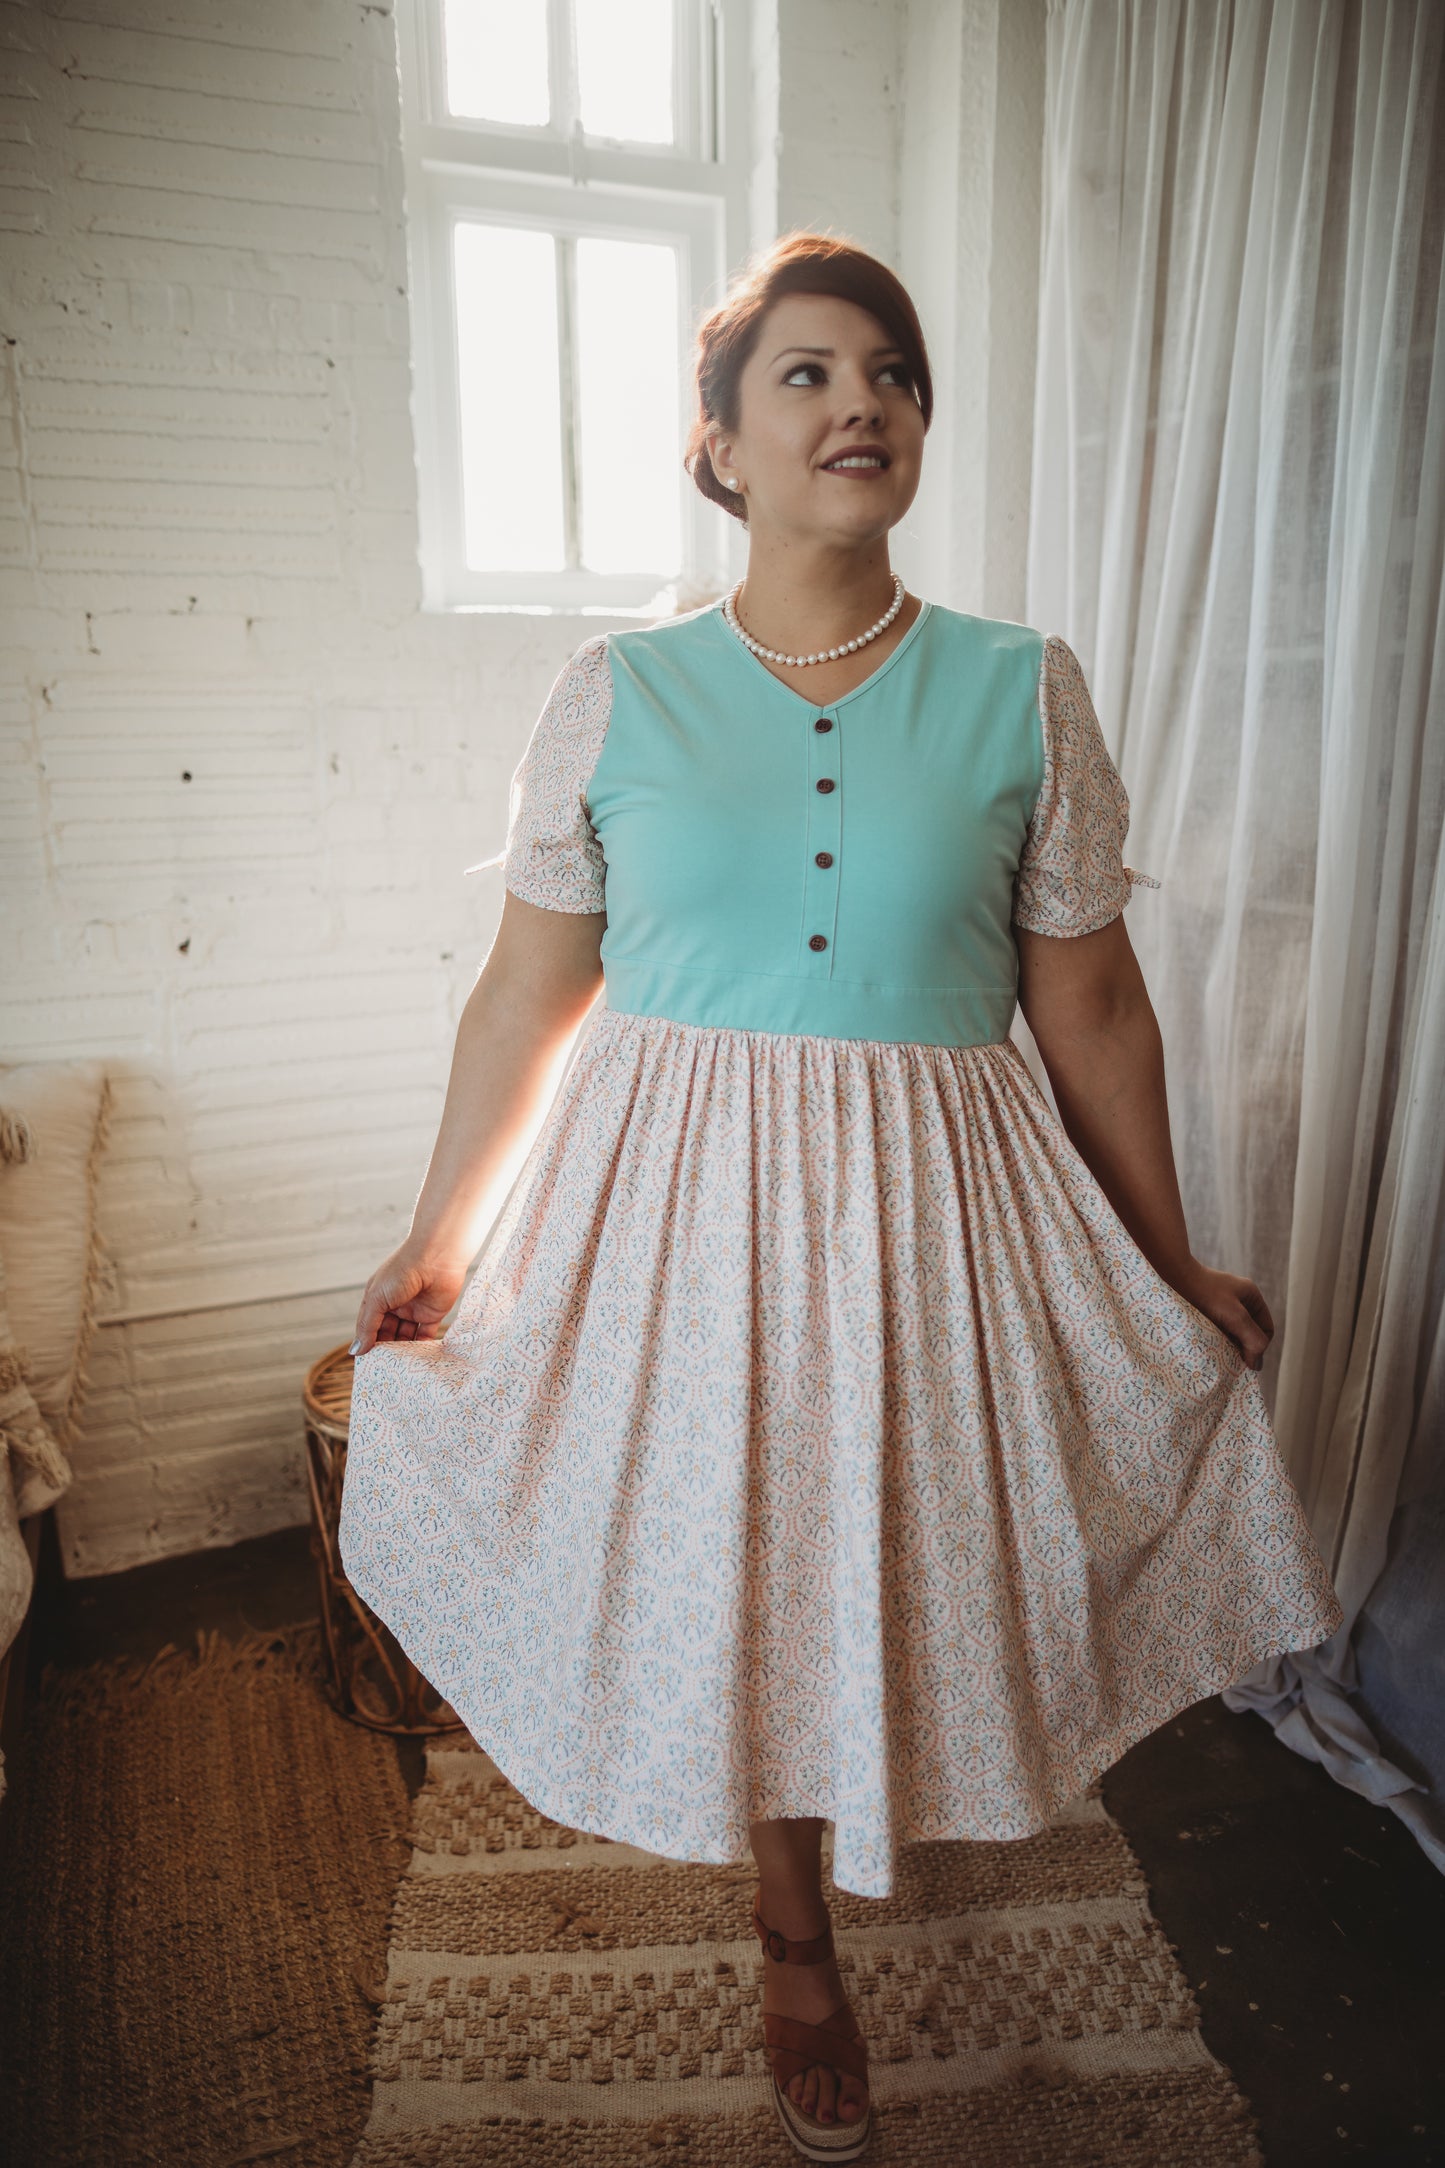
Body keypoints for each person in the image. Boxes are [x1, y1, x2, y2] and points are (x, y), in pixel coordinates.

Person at [338, 232, 1343, 2162]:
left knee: (890, 1549)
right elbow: (529, 990)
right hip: (672, 1210)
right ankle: (793, 1935)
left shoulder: (1021, 690)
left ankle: (891, 1813)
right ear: (718, 445)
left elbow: (1097, 1005)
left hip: (938, 1204)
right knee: (738, 1564)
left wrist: (1164, 1256)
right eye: (801, 375)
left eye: (885, 371)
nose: (856, 401)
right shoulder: (615, 691)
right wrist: (435, 1240)